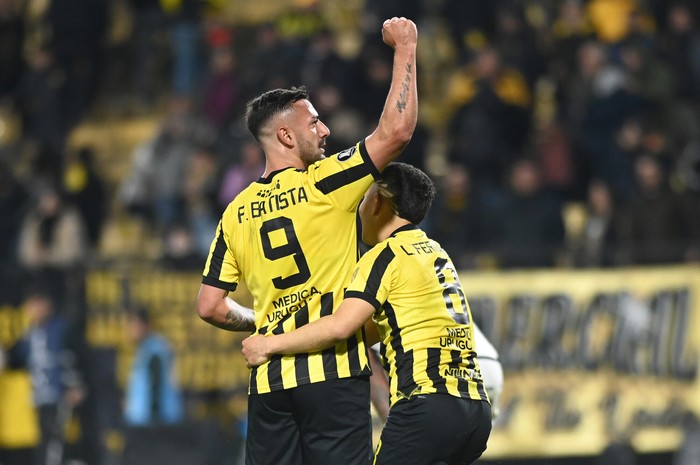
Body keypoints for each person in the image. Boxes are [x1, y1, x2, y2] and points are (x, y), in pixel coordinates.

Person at [196, 17, 418, 465]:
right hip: (333, 375)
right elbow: (396, 132)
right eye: (314, 123)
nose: (325, 131)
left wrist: (261, 322)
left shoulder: (234, 213)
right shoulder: (326, 182)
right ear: (285, 135)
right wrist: (406, 48)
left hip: (269, 384)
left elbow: (211, 306)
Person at [242, 162, 492, 465]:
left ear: (377, 202)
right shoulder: (436, 252)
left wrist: (270, 343)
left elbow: (340, 327)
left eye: (362, 198)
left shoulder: (385, 255)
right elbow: (371, 330)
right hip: (475, 410)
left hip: (427, 405)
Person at [3, 288, 85, 465]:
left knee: (57, 442)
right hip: (41, 397)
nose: (30, 311)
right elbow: (19, 356)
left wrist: (75, 386)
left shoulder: (60, 328)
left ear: (45, 305)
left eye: (34, 305)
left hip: (59, 394)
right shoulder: (31, 332)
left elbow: (73, 358)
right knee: (46, 440)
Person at [121, 307, 185, 465]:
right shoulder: (147, 348)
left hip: (152, 423)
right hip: (148, 421)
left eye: (133, 324)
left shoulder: (154, 350)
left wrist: (154, 420)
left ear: (144, 325)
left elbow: (156, 387)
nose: (130, 329)